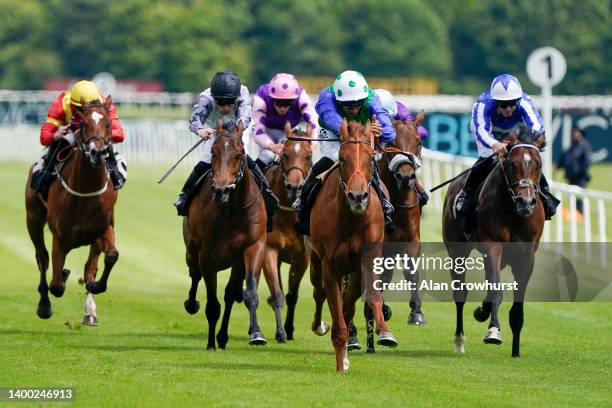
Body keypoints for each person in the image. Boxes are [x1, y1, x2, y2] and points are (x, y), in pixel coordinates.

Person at [292, 70, 396, 235]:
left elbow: (390, 132)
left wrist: (380, 130)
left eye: (357, 105)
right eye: (348, 106)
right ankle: (303, 203)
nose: (353, 109)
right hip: (332, 130)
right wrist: (356, 129)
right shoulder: (327, 96)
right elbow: (331, 118)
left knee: (366, 161)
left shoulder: (371, 99)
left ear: (363, 99)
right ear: (339, 100)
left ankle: (383, 205)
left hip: (359, 134)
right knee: (331, 158)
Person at [455, 73, 560, 233]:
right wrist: (494, 144)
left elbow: (537, 127)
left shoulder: (524, 101)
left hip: (516, 135)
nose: (509, 109)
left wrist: (520, 143)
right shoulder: (483, 104)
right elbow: (480, 130)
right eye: (503, 105)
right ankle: (466, 194)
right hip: (490, 135)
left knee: (527, 163)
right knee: (486, 159)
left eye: (512, 104)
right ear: (495, 102)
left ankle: (545, 196)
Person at [174, 70, 279, 230]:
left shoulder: (242, 93)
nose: (224, 107)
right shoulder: (207, 98)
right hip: (213, 128)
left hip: (238, 129)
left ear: (235, 98)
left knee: (241, 155)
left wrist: (233, 134)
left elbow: (244, 119)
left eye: (229, 103)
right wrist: (201, 130)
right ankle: (185, 194)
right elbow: (195, 119)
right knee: (206, 159)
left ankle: (267, 193)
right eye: (220, 103)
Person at [31, 80, 127, 200]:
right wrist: (55, 135)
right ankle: (46, 174)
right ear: (74, 104)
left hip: (94, 135)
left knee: (106, 145)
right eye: (82, 109)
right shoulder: (62, 103)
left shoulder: (105, 104)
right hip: (71, 132)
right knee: (63, 141)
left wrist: (101, 134)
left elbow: (119, 134)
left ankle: (114, 171)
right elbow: (44, 138)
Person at [248, 73, 318, 170]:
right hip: (266, 132)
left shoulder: (301, 96)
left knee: (301, 155)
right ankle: (254, 178)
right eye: (278, 103)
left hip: (290, 131)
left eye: (288, 104)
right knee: (267, 156)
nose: (283, 108)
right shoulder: (261, 97)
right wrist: (271, 146)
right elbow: (257, 130)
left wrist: (312, 144)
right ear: (271, 99)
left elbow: (314, 121)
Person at [374, 88, 429, 205]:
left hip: (393, 142)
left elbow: (421, 132)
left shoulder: (400, 110)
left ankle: (419, 189)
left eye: (388, 117)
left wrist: (406, 132)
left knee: (404, 155)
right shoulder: (364, 112)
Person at [557, 127, 591, 213]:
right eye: (573, 132)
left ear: (580, 133)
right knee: (573, 196)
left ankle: (581, 213)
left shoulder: (584, 145)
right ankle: (576, 213)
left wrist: (583, 171)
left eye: (576, 132)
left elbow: (587, 160)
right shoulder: (572, 146)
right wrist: (558, 166)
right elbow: (565, 157)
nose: (574, 134)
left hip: (580, 176)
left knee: (579, 196)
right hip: (571, 176)